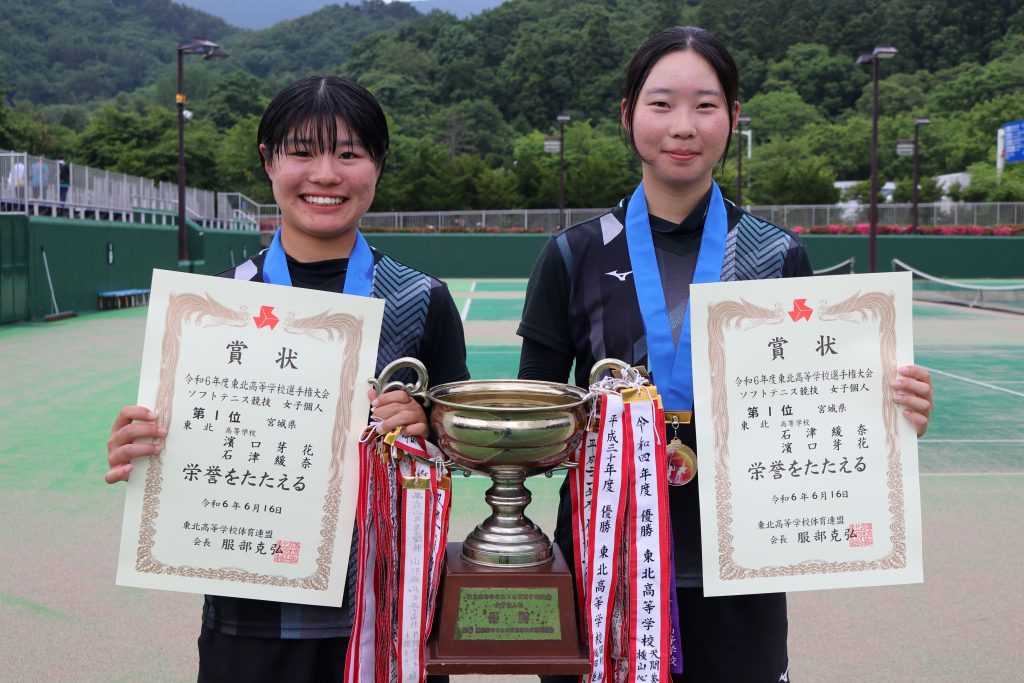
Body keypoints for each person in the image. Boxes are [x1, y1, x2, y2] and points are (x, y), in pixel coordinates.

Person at [517, 26, 934, 683]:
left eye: (706, 105)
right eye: (660, 104)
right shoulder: (572, 254)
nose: (682, 125)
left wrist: (890, 408)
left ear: (734, 118)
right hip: (605, 564)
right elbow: (536, 419)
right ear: (627, 115)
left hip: (743, 564)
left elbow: (812, 401)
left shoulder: (775, 254)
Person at [105, 76, 469, 682]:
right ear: (268, 160)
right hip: (250, 617)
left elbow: (460, 445)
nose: (325, 174)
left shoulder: (420, 299)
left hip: (387, 613)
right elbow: (181, 446)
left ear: (377, 165)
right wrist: (138, 445)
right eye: (302, 151)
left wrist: (428, 427)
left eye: (349, 154)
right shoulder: (216, 304)